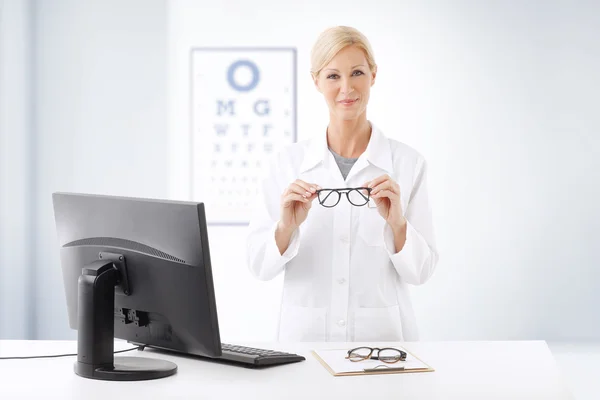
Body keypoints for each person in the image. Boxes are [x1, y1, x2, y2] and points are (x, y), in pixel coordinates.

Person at [246, 26, 439, 342]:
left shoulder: (408, 164)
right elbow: (259, 266)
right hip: (304, 340)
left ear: (373, 76)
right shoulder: (287, 164)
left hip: (381, 343)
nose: (347, 88)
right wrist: (285, 227)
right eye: (333, 76)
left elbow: (421, 272)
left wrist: (398, 224)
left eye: (357, 73)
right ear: (316, 81)